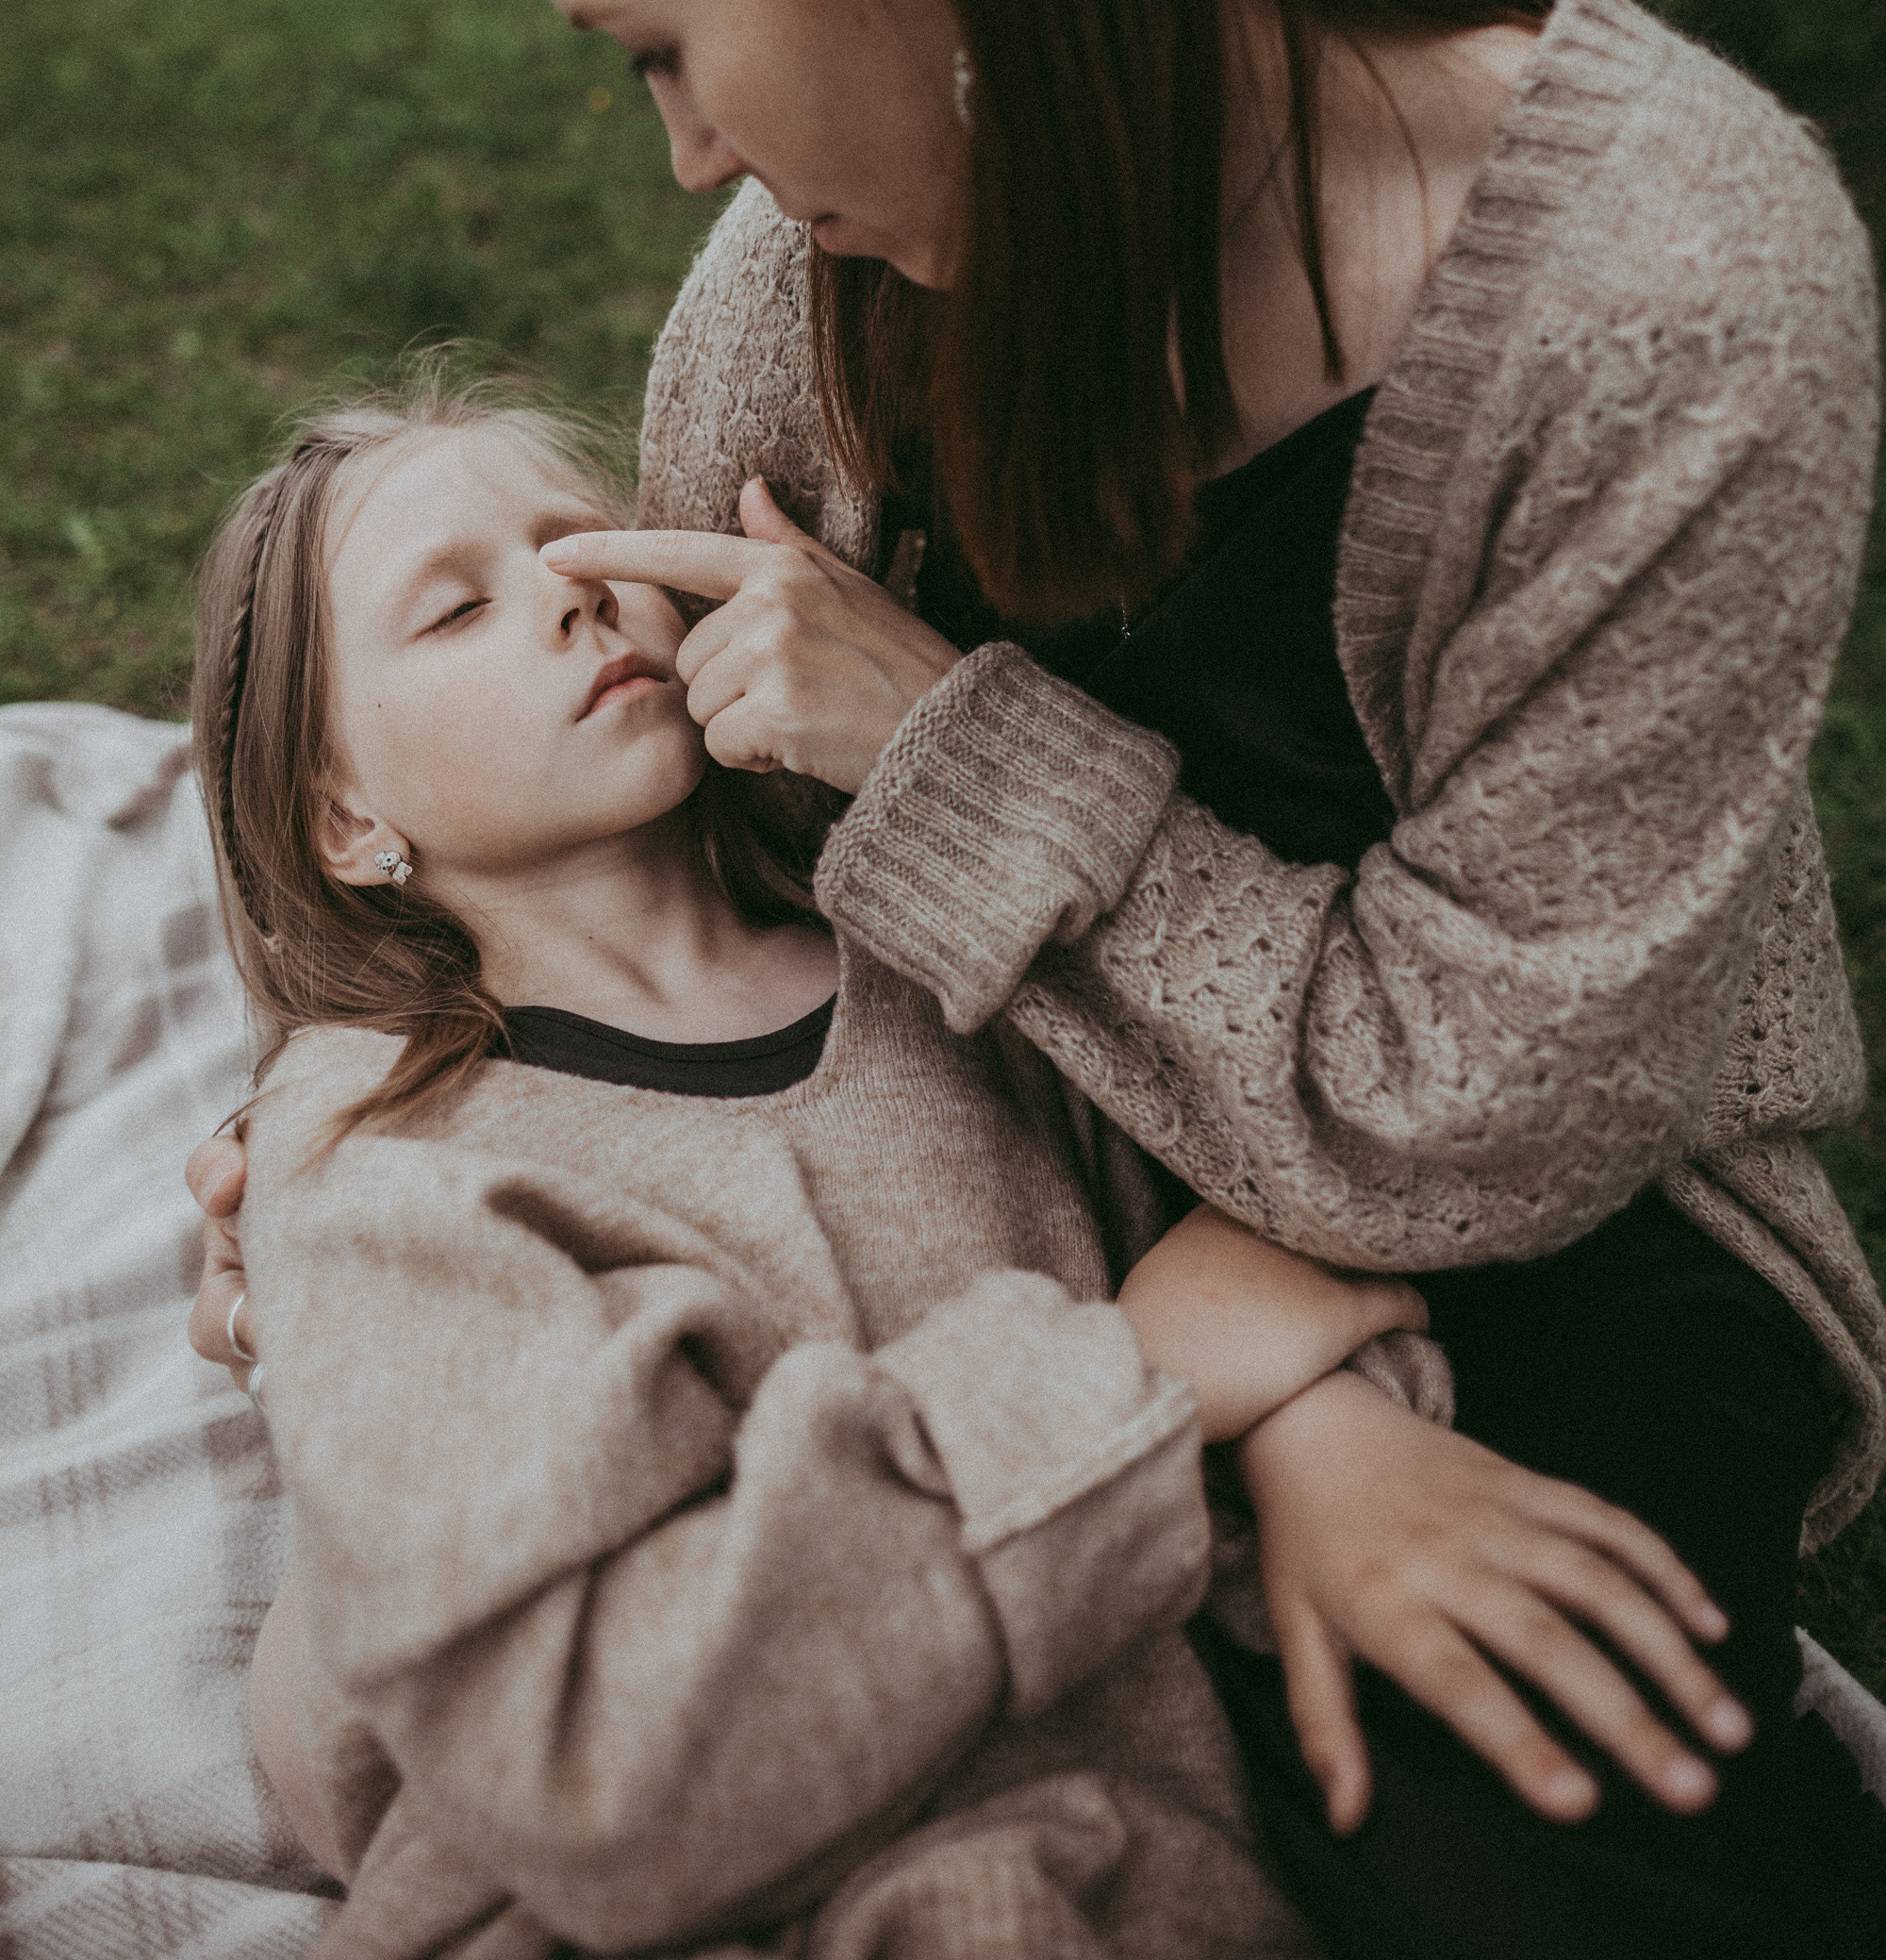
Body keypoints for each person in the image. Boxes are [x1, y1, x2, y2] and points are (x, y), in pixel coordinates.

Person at [190, 0, 1886, 1957]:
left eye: (659, 42)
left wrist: (950, 751)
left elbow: (1487, 1116)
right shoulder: (791, 303)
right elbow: (733, 934)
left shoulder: (1676, 305)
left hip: (1545, 1228)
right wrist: (379, 1115)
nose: (678, 158)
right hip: (1078, 1259)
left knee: (1505, 1855)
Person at [197, 381, 1729, 1960]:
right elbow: (599, 1772)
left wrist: (1322, 1423)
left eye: (582, 541)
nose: (575, 590)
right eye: (454, 610)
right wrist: (1131, 1384)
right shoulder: (392, 1173)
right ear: (344, 816)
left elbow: (1243, 1235)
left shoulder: (928, 958)